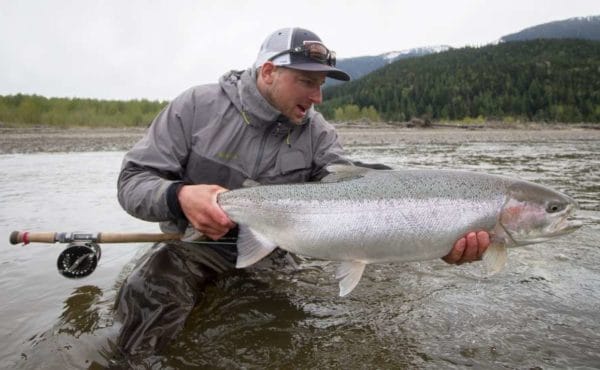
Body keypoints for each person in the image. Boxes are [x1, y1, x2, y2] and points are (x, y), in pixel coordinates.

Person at [114, 27, 490, 356]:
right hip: (191, 244)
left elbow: (353, 189)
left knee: (280, 333)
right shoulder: (197, 107)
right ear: (268, 72)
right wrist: (178, 196)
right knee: (146, 295)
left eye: (321, 85)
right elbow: (132, 182)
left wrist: (437, 233)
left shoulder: (318, 134)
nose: (318, 97)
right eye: (307, 82)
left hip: (274, 254)